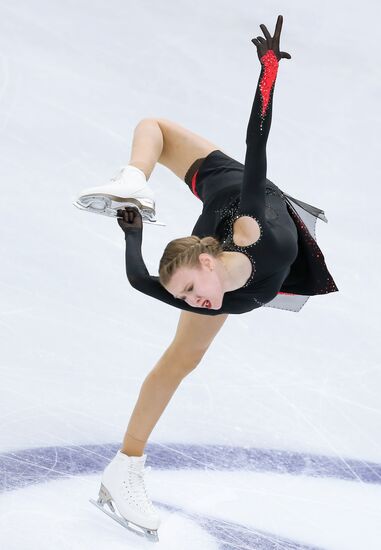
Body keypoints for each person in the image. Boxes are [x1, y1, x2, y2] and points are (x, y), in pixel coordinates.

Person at [74, 15, 338, 541]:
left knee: (159, 125)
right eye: (187, 297)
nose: (194, 303)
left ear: (210, 262)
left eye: (190, 289)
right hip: (214, 213)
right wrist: (132, 235)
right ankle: (123, 470)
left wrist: (267, 70)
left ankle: (135, 180)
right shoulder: (206, 287)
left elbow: (256, 138)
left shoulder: (250, 228)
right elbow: (142, 281)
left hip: (239, 191)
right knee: (182, 357)